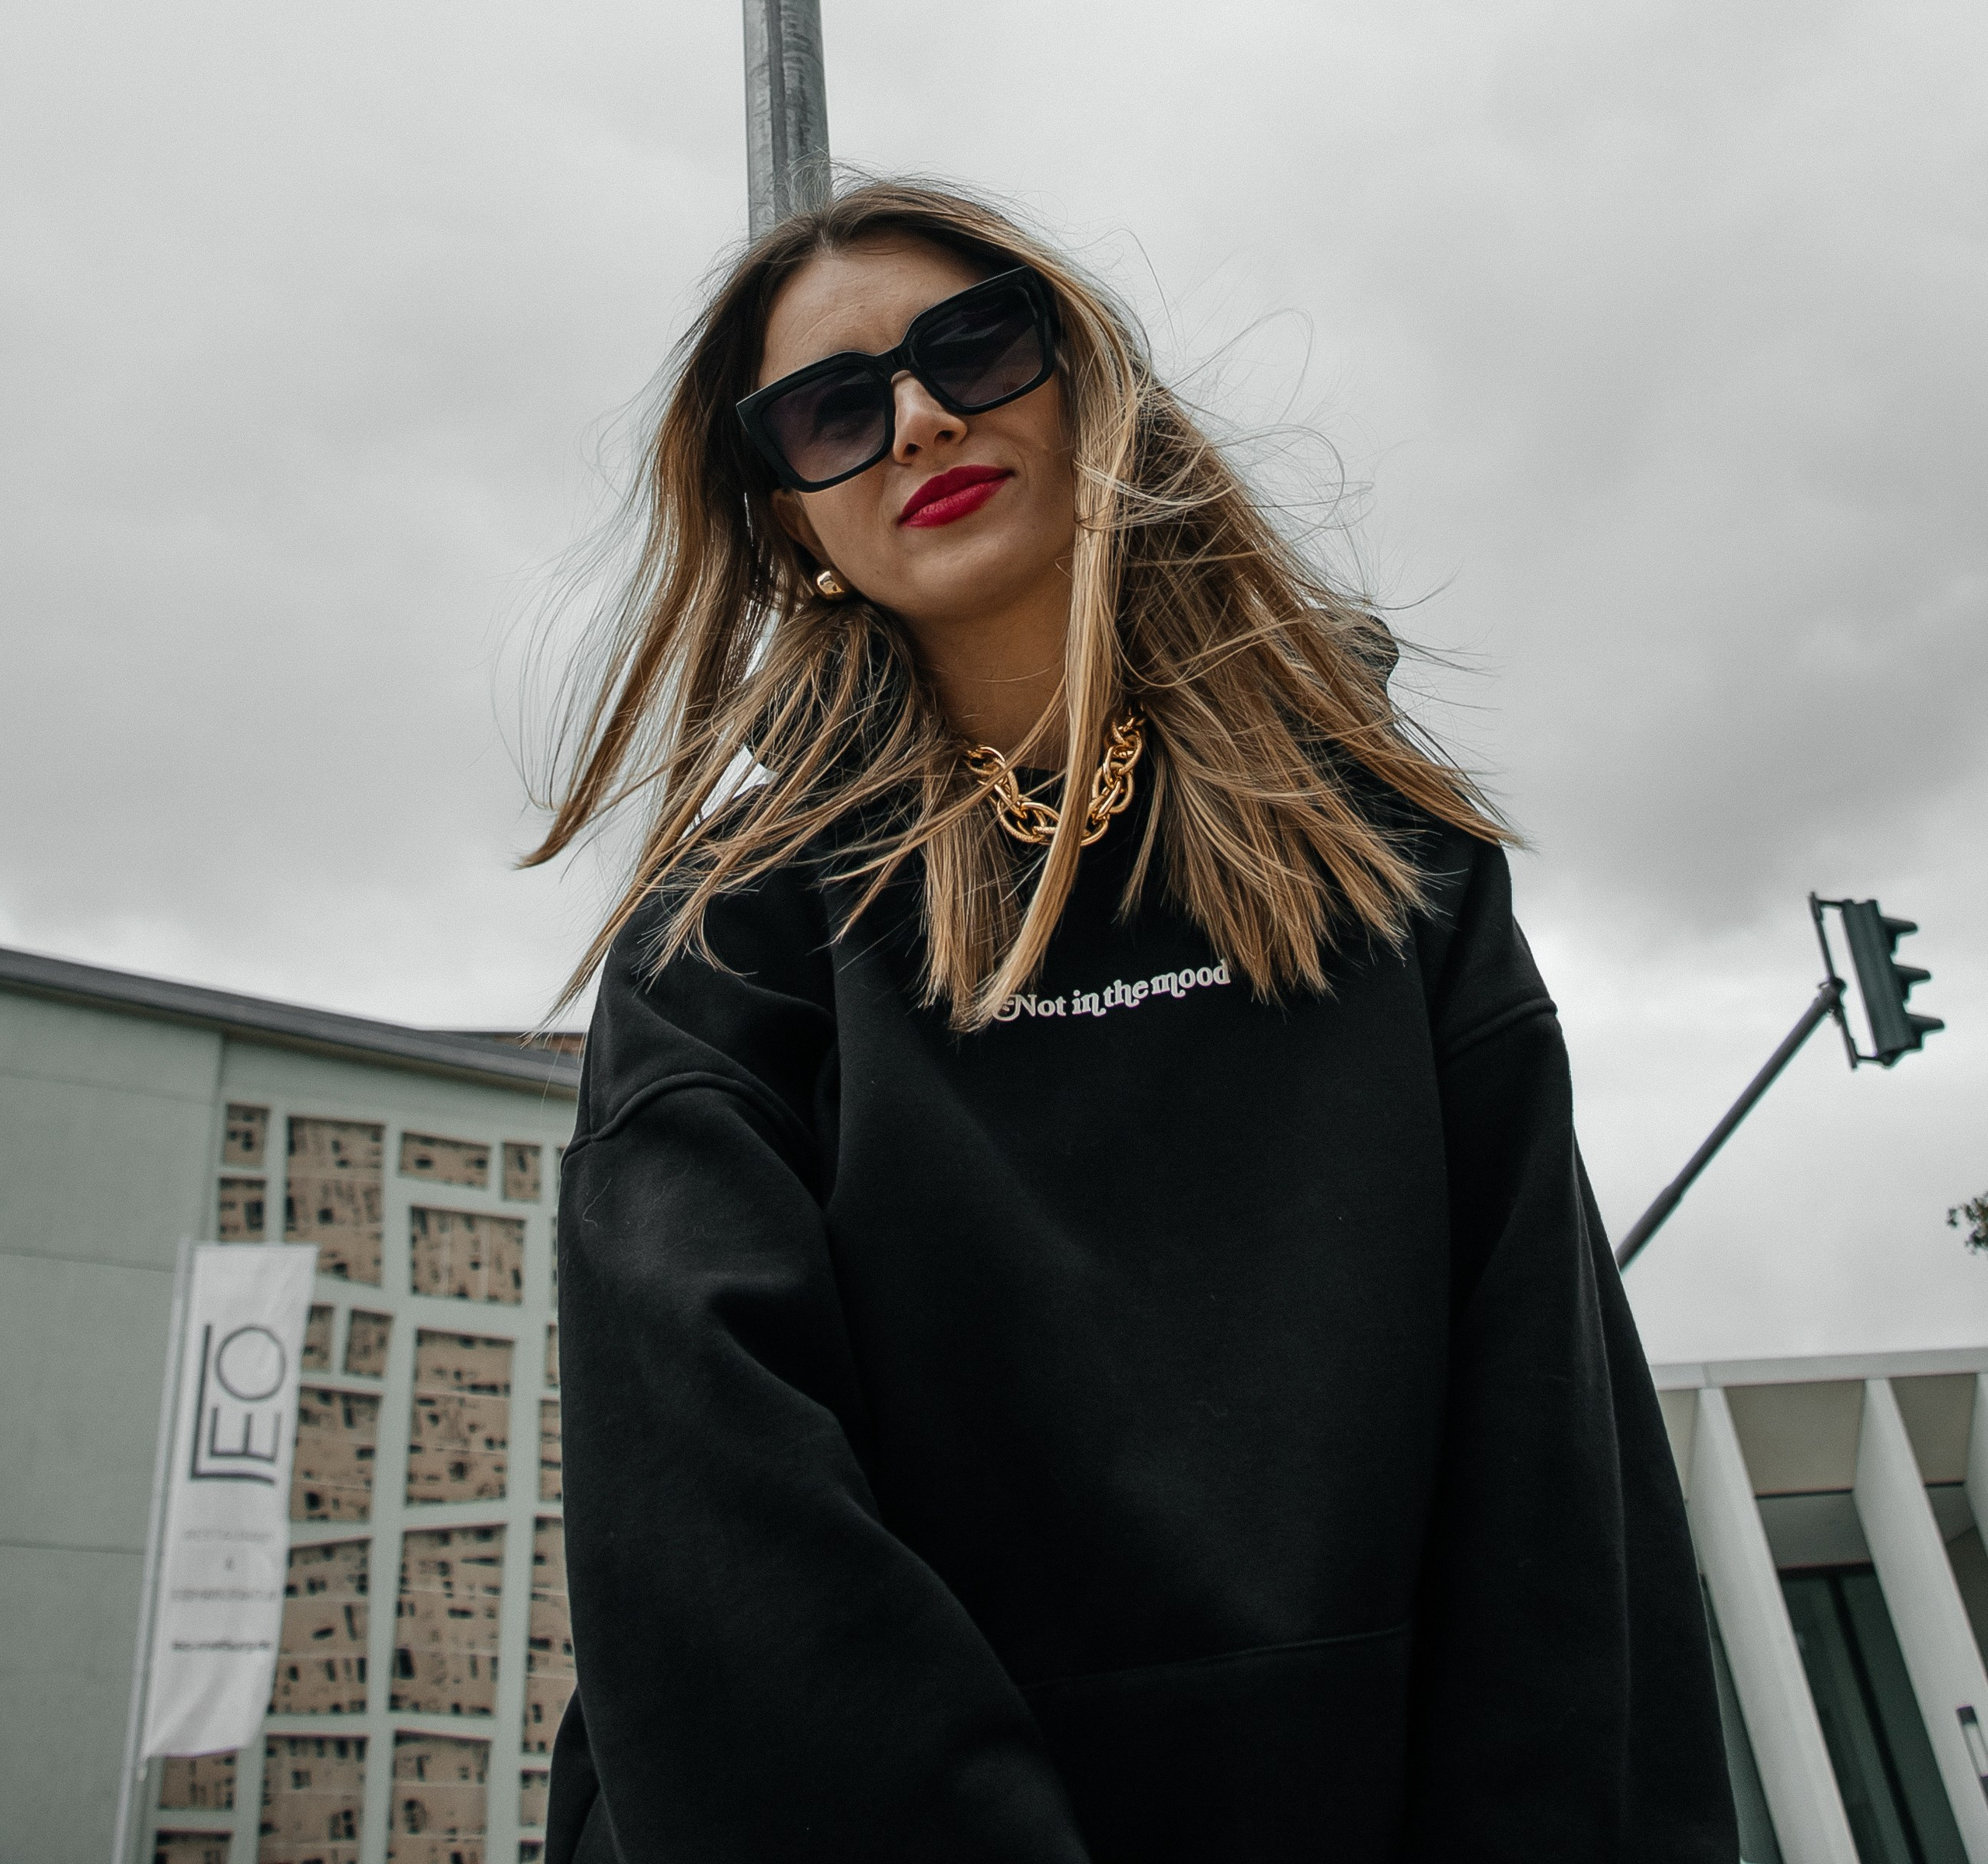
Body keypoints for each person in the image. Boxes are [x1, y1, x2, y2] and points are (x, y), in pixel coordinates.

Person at [530, 176, 1737, 1864]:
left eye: (974, 345)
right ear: (784, 514)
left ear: (1085, 385)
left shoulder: (1392, 864)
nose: (921, 416)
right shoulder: (730, 936)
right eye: (830, 407)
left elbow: (1549, 1471)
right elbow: (716, 1526)